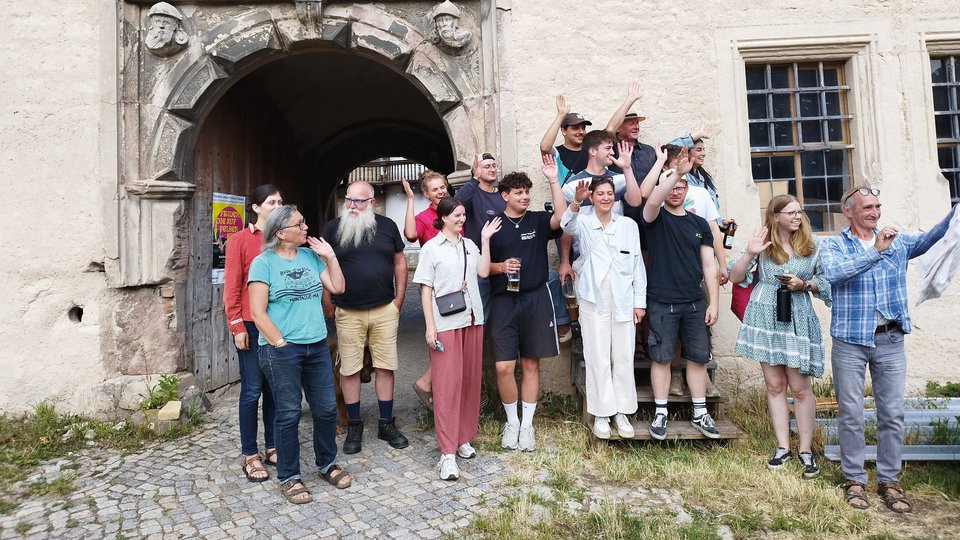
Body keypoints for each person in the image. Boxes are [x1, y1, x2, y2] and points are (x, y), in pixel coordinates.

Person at [821, 186, 953, 513]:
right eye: (867, 207)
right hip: (850, 340)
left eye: (877, 206)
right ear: (848, 211)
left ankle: (889, 481)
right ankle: (854, 479)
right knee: (850, 412)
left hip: (890, 338)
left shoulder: (897, 241)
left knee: (892, 413)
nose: (875, 212)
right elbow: (835, 275)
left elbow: (929, 239)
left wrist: (955, 212)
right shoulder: (834, 245)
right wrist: (875, 251)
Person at [248, 205, 350, 504]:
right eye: (299, 223)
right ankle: (290, 476)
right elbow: (257, 311)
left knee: (326, 409)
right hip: (283, 350)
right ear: (280, 233)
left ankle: (327, 464)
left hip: (316, 345)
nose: (306, 227)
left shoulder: (309, 257)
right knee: (289, 413)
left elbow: (338, 287)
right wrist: (279, 343)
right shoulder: (263, 263)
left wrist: (330, 257)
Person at [728, 195, 831, 478]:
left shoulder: (812, 246)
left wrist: (804, 284)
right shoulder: (763, 246)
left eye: (800, 212)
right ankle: (783, 447)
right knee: (774, 385)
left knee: (799, 387)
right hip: (765, 317)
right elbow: (736, 277)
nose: (798, 217)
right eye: (791, 212)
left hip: (796, 314)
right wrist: (749, 252)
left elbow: (825, 281)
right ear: (775, 216)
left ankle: (806, 450)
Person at [636, 148, 720, 440]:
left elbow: (709, 265)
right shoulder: (655, 217)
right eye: (672, 185)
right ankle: (661, 411)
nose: (676, 191)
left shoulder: (698, 224)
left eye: (682, 187)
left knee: (697, 358)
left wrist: (714, 303)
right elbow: (654, 199)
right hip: (661, 299)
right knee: (660, 358)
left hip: (694, 302)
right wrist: (677, 173)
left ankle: (699, 412)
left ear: (688, 191)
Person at [414, 197, 499, 480]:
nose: (461, 219)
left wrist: (485, 240)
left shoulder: (469, 245)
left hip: (473, 319)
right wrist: (429, 327)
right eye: (457, 216)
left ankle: (463, 437)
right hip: (446, 323)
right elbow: (426, 290)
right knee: (447, 386)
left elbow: (484, 272)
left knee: (469, 382)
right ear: (444, 217)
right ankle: (447, 452)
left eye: (463, 215)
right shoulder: (430, 248)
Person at [487, 155, 568, 452]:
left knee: (531, 364)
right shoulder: (492, 225)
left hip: (535, 298)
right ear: (505, 196)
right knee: (505, 366)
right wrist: (500, 267)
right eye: (518, 192)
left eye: (527, 192)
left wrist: (553, 179)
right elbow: (482, 265)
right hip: (504, 302)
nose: (524, 196)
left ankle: (527, 426)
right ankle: (511, 422)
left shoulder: (536, 219)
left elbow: (561, 218)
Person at [322, 181, 409, 455]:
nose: (351, 206)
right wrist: (328, 300)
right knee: (349, 369)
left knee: (385, 366)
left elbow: (399, 261)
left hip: (384, 308)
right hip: (348, 310)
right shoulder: (334, 229)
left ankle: (386, 423)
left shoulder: (387, 227)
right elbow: (324, 265)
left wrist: (399, 299)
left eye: (358, 201)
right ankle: (355, 426)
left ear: (371, 202)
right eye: (348, 200)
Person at [562, 177, 646, 439]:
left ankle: (621, 412)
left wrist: (639, 302)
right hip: (592, 298)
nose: (606, 198)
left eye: (610, 193)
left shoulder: (628, 225)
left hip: (623, 298)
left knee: (622, 355)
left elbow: (637, 266)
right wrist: (575, 201)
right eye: (600, 194)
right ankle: (601, 412)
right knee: (597, 355)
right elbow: (566, 224)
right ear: (592, 197)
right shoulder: (584, 222)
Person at [223, 184, 282, 483]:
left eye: (280, 202)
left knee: (274, 388)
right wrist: (236, 325)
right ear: (256, 208)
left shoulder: (282, 239)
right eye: (271, 202)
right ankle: (250, 453)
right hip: (249, 324)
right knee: (251, 390)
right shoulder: (240, 240)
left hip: (277, 325)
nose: (277, 206)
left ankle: (272, 446)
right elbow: (232, 286)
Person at [401, 171, 450, 410]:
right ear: (427, 194)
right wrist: (409, 200)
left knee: (454, 339)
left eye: (443, 187)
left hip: (459, 283)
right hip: (438, 286)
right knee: (441, 338)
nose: (440, 192)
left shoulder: (456, 211)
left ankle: (437, 387)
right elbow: (410, 235)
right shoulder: (424, 217)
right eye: (435, 189)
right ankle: (430, 385)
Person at [605, 81, 658, 182]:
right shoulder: (611, 149)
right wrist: (630, 99)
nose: (636, 127)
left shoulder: (649, 151)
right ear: (619, 127)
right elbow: (610, 129)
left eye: (637, 123)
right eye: (631, 123)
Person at [538, 95, 591, 185]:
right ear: (564, 131)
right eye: (576, 128)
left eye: (583, 128)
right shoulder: (557, 153)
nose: (581, 132)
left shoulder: (591, 152)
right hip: (565, 199)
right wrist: (561, 116)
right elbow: (544, 147)